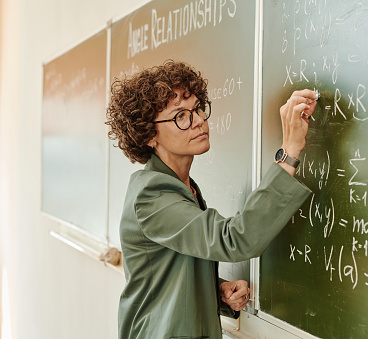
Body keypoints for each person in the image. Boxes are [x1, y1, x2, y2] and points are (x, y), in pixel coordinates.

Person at [106, 60, 317, 339]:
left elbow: (167, 274)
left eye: (197, 109)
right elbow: (237, 239)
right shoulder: (152, 195)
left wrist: (217, 293)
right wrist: (289, 150)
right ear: (148, 134)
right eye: (180, 116)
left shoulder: (181, 186)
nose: (199, 121)